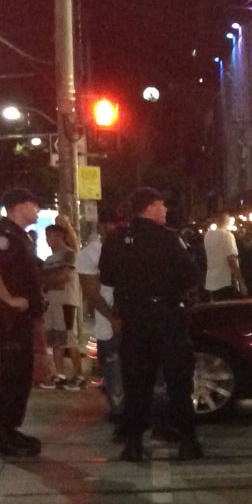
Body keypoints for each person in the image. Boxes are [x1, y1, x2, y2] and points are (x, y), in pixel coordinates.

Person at [100, 187, 204, 462]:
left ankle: (133, 442)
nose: (165, 210)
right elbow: (191, 274)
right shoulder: (169, 238)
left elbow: (107, 276)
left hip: (134, 317)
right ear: (150, 208)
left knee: (136, 382)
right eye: (161, 205)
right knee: (178, 381)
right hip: (167, 316)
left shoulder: (117, 239)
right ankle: (188, 440)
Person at [0, 189, 45, 457]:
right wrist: (10, 300)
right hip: (9, 319)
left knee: (21, 376)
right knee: (12, 376)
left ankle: (10, 429)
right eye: (34, 206)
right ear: (20, 207)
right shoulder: (3, 237)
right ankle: (3, 435)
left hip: (22, 318)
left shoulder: (21, 237)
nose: (37, 212)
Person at [78, 205, 128, 428]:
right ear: (102, 225)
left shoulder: (131, 247)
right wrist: (112, 317)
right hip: (109, 325)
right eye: (113, 222)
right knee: (114, 375)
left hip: (134, 321)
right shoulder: (91, 252)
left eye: (121, 222)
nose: (118, 227)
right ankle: (120, 417)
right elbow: (91, 293)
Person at [39, 224, 87, 390]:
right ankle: (60, 375)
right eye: (47, 237)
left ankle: (79, 375)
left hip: (65, 301)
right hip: (51, 302)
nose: (49, 240)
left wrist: (46, 281)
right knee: (55, 340)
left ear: (62, 237)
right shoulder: (48, 259)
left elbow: (63, 277)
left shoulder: (69, 254)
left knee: (69, 339)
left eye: (52, 236)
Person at [202, 208, 246, 301]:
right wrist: (241, 282)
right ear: (228, 221)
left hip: (212, 280)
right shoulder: (227, 235)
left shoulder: (207, 236)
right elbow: (231, 259)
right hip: (226, 280)